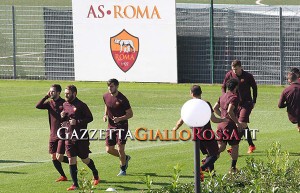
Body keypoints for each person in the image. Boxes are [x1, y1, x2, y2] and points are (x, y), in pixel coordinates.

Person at [173, 85, 227, 180]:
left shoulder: (189, 105)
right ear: (201, 93)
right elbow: (213, 119)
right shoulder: (206, 104)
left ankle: (212, 175)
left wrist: (175, 128)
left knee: (209, 155)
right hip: (207, 133)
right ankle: (200, 169)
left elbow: (181, 120)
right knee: (215, 154)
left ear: (191, 93)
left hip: (196, 135)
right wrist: (223, 120)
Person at [61, 85, 99, 191]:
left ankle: (95, 174)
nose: (66, 95)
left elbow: (90, 118)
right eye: (65, 93)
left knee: (84, 159)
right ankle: (75, 184)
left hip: (81, 137)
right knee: (71, 160)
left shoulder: (81, 105)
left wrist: (77, 122)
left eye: (68, 93)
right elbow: (65, 120)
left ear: (74, 93)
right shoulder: (64, 104)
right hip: (69, 137)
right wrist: (62, 116)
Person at [222, 59, 257, 154]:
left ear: (241, 67)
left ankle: (234, 145)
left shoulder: (248, 76)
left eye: (236, 69)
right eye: (233, 69)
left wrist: (254, 101)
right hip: (235, 104)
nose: (234, 71)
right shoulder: (229, 75)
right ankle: (251, 145)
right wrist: (225, 96)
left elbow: (254, 87)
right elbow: (223, 86)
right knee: (243, 125)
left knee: (241, 123)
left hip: (246, 103)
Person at [36, 84, 69, 182]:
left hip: (62, 134)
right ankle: (63, 176)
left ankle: (72, 161)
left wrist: (65, 118)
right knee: (53, 156)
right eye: (50, 91)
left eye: (53, 91)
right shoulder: (49, 103)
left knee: (59, 157)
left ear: (59, 92)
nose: (51, 93)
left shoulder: (64, 103)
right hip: (52, 134)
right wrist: (46, 96)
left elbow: (71, 115)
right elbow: (38, 106)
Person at [103, 79, 133, 176]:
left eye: (111, 86)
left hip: (122, 127)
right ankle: (125, 158)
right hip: (111, 126)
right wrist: (105, 115)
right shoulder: (105, 96)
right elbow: (107, 105)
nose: (109, 88)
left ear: (117, 86)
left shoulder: (123, 99)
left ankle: (123, 169)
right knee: (109, 149)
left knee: (120, 149)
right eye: (108, 86)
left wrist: (119, 119)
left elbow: (130, 114)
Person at [214, 78, 244, 173]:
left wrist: (223, 117)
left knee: (221, 146)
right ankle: (233, 168)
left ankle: (209, 159)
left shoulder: (222, 96)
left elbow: (215, 108)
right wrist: (236, 122)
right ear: (236, 87)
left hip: (221, 125)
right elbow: (230, 111)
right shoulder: (234, 97)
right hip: (230, 126)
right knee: (235, 146)